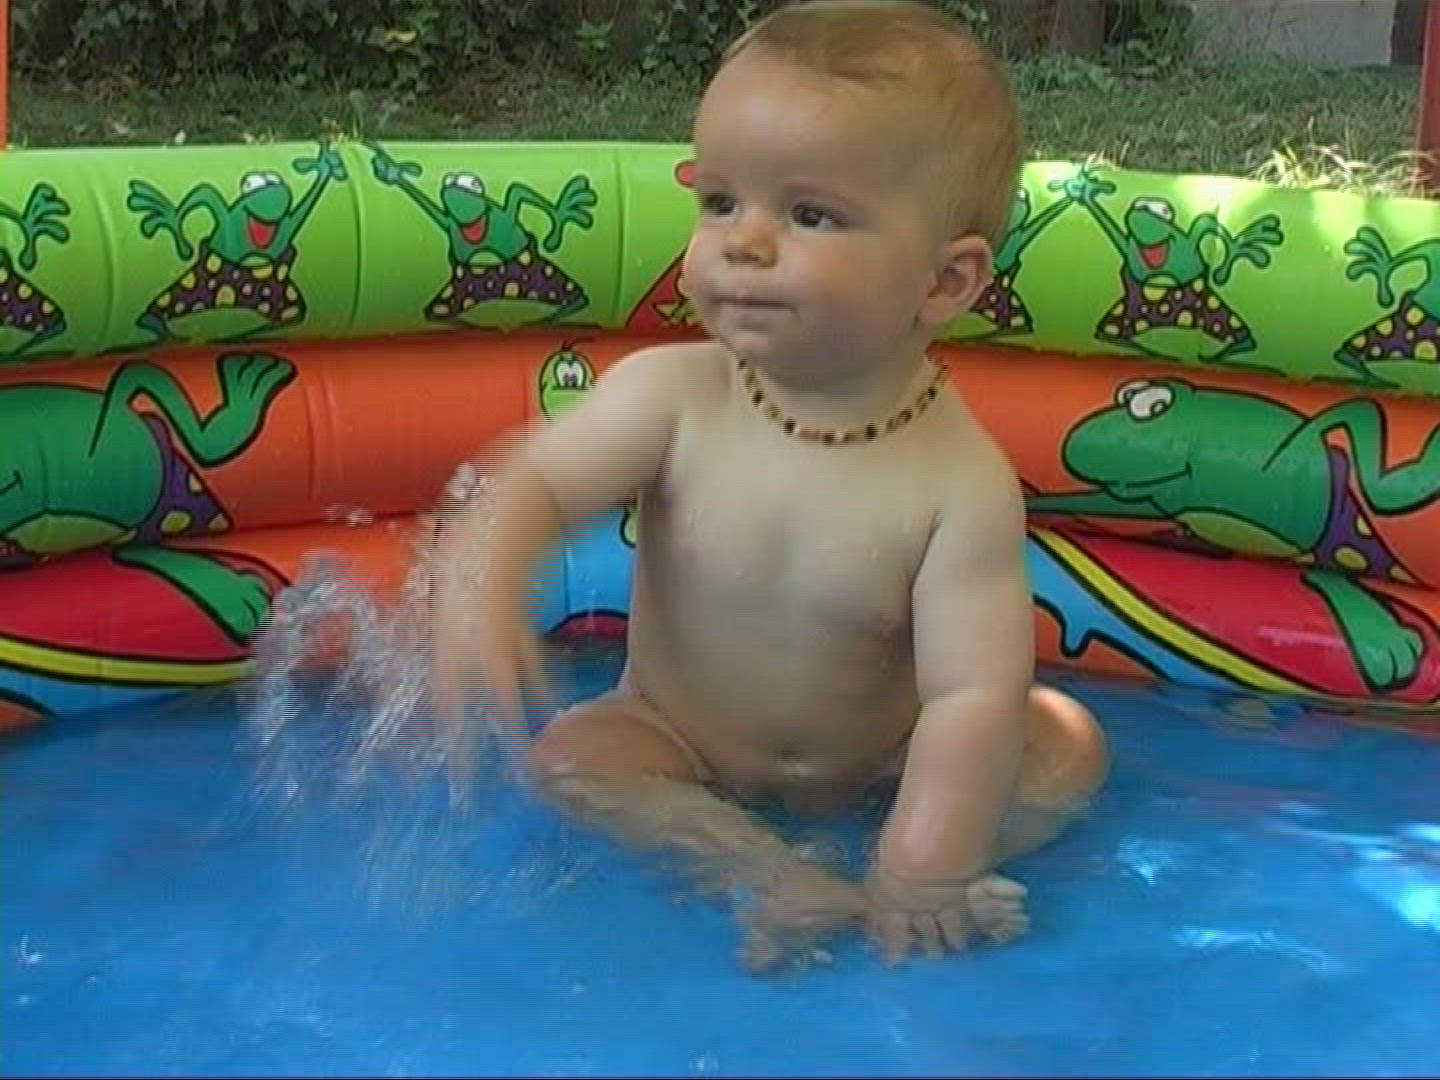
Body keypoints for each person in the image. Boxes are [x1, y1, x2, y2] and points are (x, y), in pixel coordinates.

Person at [430, 0, 1109, 970]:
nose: (743, 242)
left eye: (808, 214)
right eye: (720, 202)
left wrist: (928, 857)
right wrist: (483, 580)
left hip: (885, 755)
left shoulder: (959, 483)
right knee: (574, 761)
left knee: (1063, 746)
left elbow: (969, 693)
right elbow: (534, 483)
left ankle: (903, 878)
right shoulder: (672, 399)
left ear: (944, 282)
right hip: (675, 736)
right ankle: (757, 867)